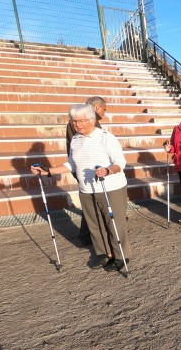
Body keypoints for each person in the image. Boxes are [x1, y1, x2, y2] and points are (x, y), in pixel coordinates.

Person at [31, 104, 132, 271]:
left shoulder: (106, 137)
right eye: (74, 121)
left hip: (110, 188)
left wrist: (107, 170)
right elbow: (71, 163)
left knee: (114, 223)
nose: (77, 124)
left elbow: (120, 162)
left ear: (92, 120)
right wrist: (48, 171)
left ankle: (122, 255)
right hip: (86, 189)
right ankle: (104, 253)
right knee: (95, 223)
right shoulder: (76, 140)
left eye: (81, 121)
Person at [66, 96, 107, 245]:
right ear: (96, 108)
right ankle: (87, 235)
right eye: (104, 109)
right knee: (91, 202)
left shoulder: (89, 122)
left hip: (89, 167)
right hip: (86, 168)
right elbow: (80, 146)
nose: (104, 113)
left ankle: (90, 233)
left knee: (93, 201)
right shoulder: (81, 122)